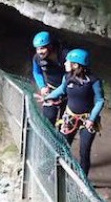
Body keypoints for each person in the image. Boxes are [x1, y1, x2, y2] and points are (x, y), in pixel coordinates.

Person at [43, 48, 105, 176]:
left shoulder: (93, 81)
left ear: (76, 65)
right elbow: (61, 90)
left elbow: (100, 101)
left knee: (84, 151)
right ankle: (57, 174)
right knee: (62, 147)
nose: (65, 63)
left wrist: (92, 119)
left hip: (87, 119)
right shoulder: (67, 77)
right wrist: (47, 97)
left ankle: (83, 181)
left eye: (68, 62)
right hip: (69, 117)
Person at [31, 31, 66, 126]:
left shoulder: (64, 56)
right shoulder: (37, 58)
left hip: (69, 92)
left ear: (50, 46)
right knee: (48, 119)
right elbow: (36, 72)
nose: (39, 52)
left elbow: (69, 78)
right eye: (37, 49)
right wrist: (42, 86)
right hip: (52, 89)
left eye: (42, 48)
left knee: (65, 125)